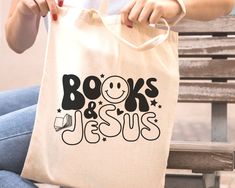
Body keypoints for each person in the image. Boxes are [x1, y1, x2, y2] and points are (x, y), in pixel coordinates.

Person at [1, 0, 234, 187]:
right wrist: (24, 9)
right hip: (67, 89)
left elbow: (224, 2)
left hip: (121, 103)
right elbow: (17, 42)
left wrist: (173, 5)